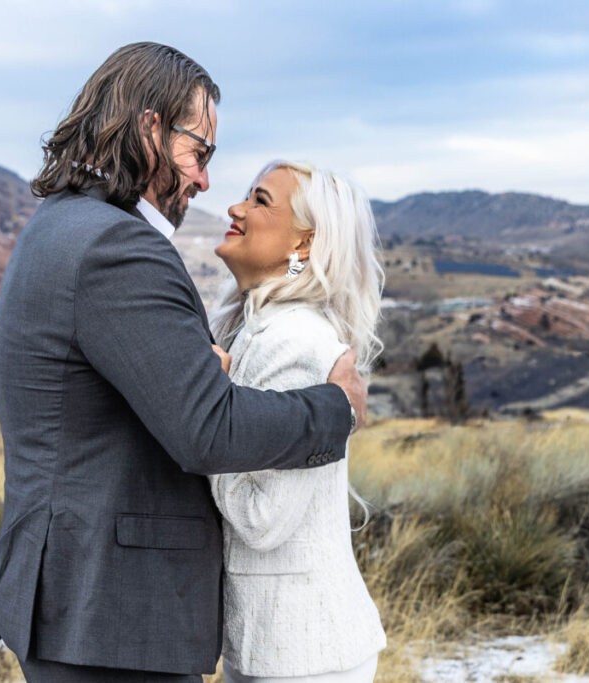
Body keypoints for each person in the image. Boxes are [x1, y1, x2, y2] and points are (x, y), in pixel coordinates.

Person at [0, 42, 368, 682]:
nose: (206, 182)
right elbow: (206, 430)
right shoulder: (117, 246)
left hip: (86, 605)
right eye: (201, 152)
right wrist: (335, 410)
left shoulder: (61, 224)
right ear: (150, 130)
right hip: (112, 612)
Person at [208, 161, 387, 682]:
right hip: (281, 647)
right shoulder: (261, 332)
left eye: (260, 201)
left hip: (303, 654)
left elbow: (264, 519)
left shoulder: (292, 344)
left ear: (304, 246)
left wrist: (208, 411)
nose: (236, 209)